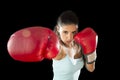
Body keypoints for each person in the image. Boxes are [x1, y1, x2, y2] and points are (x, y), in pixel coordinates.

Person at [52, 10, 98, 80]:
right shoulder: (57, 47)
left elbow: (91, 68)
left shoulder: (79, 45)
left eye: (73, 32)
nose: (70, 37)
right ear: (58, 28)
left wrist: (92, 50)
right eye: (65, 32)